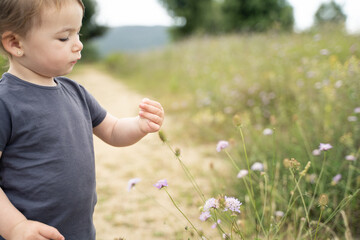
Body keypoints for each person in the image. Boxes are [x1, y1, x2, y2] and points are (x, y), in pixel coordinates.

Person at [0, 0, 165, 239]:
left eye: (78, 33)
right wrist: (16, 227)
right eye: (64, 37)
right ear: (15, 43)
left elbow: (114, 130)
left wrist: (140, 125)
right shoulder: (5, 102)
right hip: (30, 233)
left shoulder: (76, 92)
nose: (78, 45)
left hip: (79, 231)